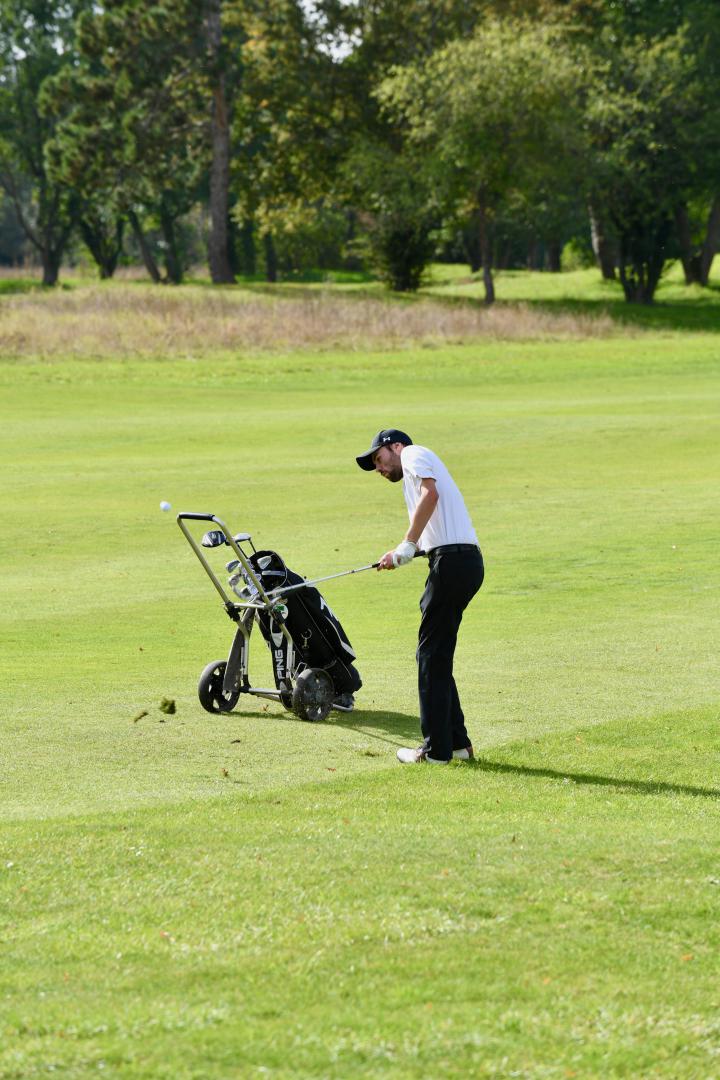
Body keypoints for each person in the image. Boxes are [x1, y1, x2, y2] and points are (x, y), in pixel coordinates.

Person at [355, 429, 484, 764]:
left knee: (429, 656)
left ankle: (436, 750)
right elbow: (432, 526)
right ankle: (458, 745)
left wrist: (408, 544)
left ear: (396, 446)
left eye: (379, 459)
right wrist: (402, 552)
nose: (379, 468)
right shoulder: (410, 476)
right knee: (435, 656)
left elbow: (431, 495)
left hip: (454, 563)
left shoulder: (413, 454)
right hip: (457, 562)